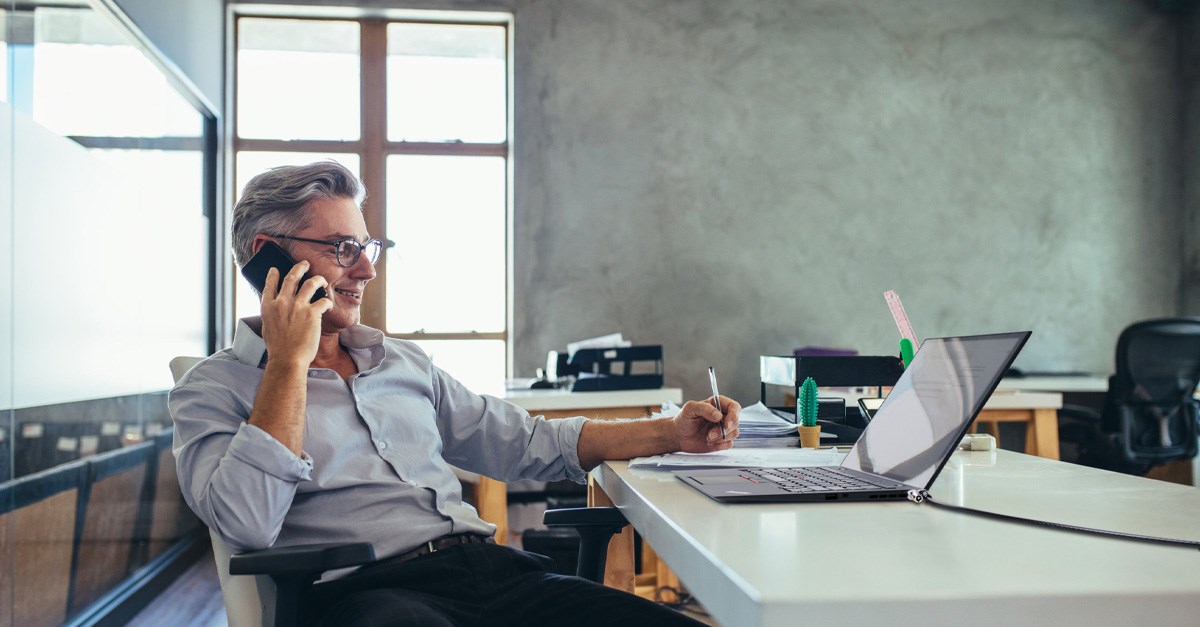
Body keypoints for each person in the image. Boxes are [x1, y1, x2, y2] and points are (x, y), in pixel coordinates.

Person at [169, 160, 741, 627]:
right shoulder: (212, 389)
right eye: (343, 247)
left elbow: (532, 443)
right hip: (370, 600)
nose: (367, 270)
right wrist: (289, 364)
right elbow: (246, 522)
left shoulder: (400, 362)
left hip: (493, 574)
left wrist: (672, 431)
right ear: (269, 256)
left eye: (370, 246)